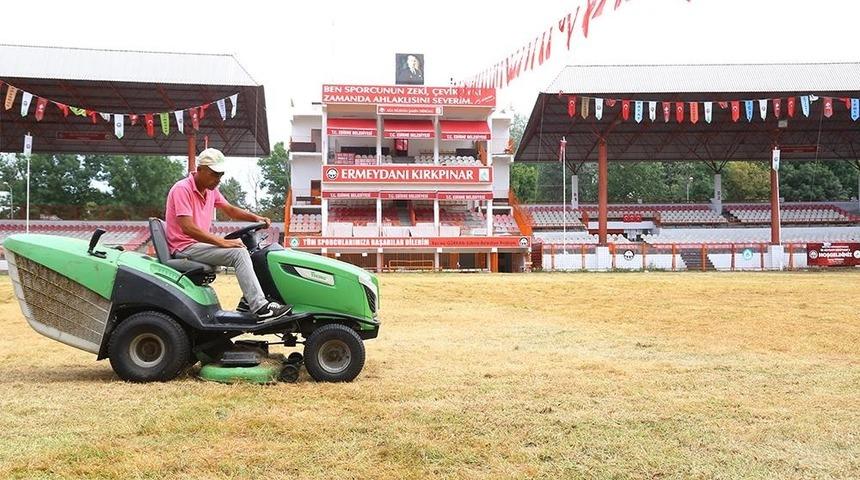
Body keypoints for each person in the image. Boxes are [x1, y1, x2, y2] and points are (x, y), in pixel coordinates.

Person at [164, 148, 291, 322]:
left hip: (197, 245)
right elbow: (188, 228)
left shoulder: (210, 191)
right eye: (214, 174)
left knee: (247, 251)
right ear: (200, 169)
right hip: (185, 246)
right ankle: (261, 308)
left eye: (220, 175)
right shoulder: (182, 189)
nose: (218, 180)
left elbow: (230, 209)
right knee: (238, 253)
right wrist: (222, 242)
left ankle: (248, 302)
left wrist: (255, 217)